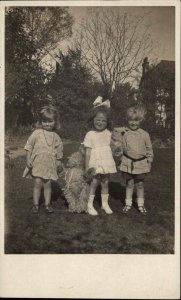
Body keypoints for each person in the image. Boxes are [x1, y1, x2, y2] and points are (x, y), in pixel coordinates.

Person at [22, 105, 63, 213]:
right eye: (44, 121)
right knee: (37, 183)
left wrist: (58, 162)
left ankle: (47, 204)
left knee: (47, 184)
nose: (47, 124)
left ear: (55, 122)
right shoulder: (37, 133)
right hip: (38, 163)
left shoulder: (56, 136)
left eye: (50, 121)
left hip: (49, 165)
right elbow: (29, 146)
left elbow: (59, 151)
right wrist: (28, 159)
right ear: (41, 122)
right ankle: (35, 205)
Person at [84, 96, 117, 216]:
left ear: (107, 122)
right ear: (93, 120)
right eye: (98, 120)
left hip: (106, 161)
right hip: (95, 161)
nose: (100, 122)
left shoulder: (109, 133)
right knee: (94, 182)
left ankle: (104, 204)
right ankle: (89, 204)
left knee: (105, 182)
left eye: (103, 121)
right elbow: (87, 152)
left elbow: (113, 147)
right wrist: (87, 167)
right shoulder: (90, 134)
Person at [119, 105, 153, 214]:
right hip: (128, 163)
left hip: (141, 164)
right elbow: (119, 146)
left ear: (141, 120)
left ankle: (140, 204)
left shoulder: (144, 134)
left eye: (136, 120)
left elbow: (149, 149)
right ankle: (128, 204)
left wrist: (150, 161)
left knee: (140, 184)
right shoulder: (124, 133)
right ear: (127, 120)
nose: (133, 123)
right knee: (129, 184)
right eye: (131, 120)